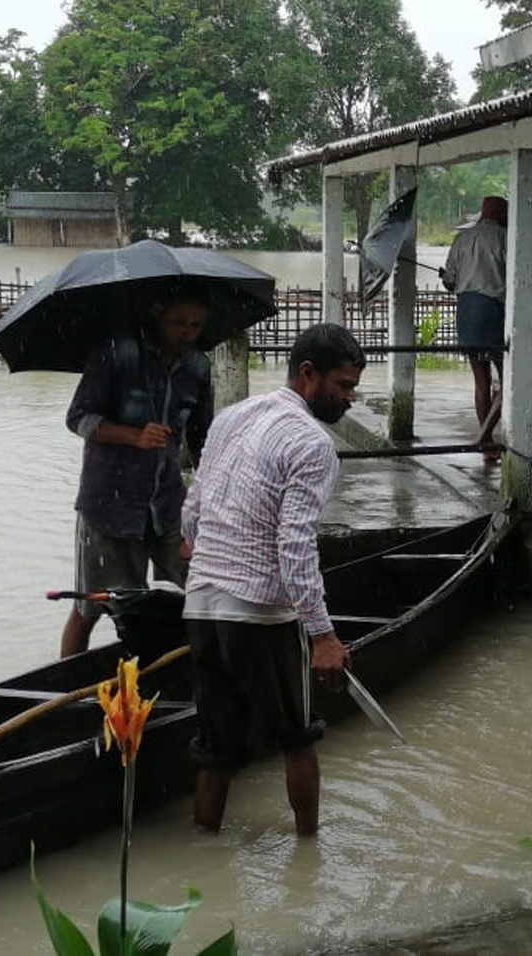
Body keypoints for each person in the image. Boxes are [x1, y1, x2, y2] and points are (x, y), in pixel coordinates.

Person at [178, 322, 363, 836]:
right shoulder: (312, 443)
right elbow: (295, 547)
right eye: (343, 386)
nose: (350, 398)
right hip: (260, 612)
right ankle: (310, 856)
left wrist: (208, 557)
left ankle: (204, 851)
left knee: (214, 751)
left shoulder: (233, 417)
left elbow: (192, 511)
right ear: (308, 374)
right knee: (298, 738)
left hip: (203, 606)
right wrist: (323, 635)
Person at [58, 289, 214, 658]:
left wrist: (214, 496)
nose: (187, 333)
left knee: (208, 587)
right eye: (179, 323)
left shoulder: (198, 367)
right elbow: (77, 418)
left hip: (167, 504)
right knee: (91, 605)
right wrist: (134, 435)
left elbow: (203, 438)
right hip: (109, 506)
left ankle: (193, 672)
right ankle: (66, 686)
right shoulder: (117, 355)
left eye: (195, 325)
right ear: (158, 315)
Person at [440, 195, 507, 463]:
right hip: (494, 311)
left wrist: (450, 278)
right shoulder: (505, 238)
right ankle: (485, 434)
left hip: (467, 312)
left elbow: (449, 281)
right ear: (501, 213)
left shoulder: (462, 239)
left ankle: (486, 442)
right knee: (508, 380)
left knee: (481, 381)